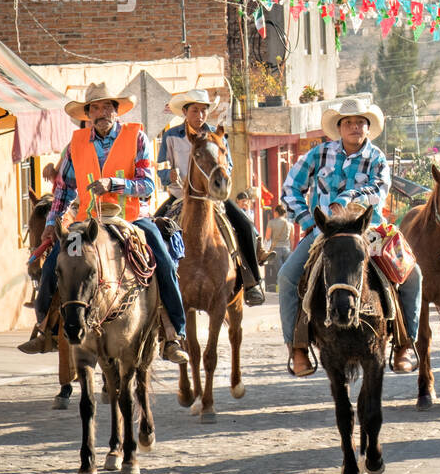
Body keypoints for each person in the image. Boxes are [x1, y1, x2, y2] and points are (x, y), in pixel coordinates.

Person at [18, 83, 189, 364]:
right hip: (87, 222)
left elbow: (146, 185)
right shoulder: (77, 143)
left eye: (107, 107)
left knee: (164, 262)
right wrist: (52, 222)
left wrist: (114, 183)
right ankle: (44, 329)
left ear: (116, 110)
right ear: (87, 114)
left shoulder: (137, 138)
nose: (101, 112)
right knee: (53, 265)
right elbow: (64, 190)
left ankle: (173, 334)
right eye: (95, 108)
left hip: (132, 217)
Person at [277, 98, 421, 376]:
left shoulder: (377, 158)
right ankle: (297, 348)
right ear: (339, 128)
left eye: (360, 123)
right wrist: (309, 222)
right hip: (325, 233)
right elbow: (290, 189)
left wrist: (348, 197)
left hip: (368, 232)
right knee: (286, 277)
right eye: (348, 123)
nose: (355, 127)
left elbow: (378, 190)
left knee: (413, 275)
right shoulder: (317, 154)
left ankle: (404, 343)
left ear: (368, 128)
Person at [158, 89, 265, 305]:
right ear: (185, 112)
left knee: (244, 225)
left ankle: (253, 281)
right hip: (180, 196)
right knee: (152, 229)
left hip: (213, 196)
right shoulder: (171, 136)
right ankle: (155, 288)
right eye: (195, 111)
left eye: (203, 111)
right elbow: (161, 166)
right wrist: (166, 174)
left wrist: (221, 178)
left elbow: (229, 164)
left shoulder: (217, 134)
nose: (199, 115)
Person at [264, 203, 292, 291]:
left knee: (279, 270)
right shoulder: (289, 224)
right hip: (287, 249)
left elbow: (267, 237)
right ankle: (287, 287)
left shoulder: (271, 222)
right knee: (287, 270)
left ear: (276, 212)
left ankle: (280, 287)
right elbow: (292, 239)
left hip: (276, 250)